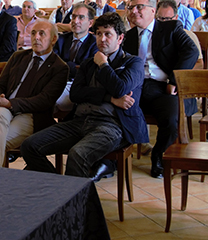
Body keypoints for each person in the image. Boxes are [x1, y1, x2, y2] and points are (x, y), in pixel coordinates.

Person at [21, 12, 146, 180]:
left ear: (120, 38)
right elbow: (76, 94)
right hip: (81, 120)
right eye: (99, 34)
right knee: (30, 146)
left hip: (112, 124)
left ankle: (75, 202)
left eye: (108, 34)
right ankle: (59, 187)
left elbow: (119, 88)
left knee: (77, 155)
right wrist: (109, 98)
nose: (102, 39)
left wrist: (103, 64)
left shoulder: (132, 63)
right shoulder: (88, 63)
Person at [122, 0, 199, 178]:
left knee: (172, 118)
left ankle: (158, 154)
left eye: (139, 7)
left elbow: (191, 51)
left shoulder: (171, 28)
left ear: (152, 10)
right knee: (110, 109)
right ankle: (113, 157)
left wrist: (174, 80)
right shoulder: (128, 36)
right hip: (136, 87)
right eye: (131, 7)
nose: (134, 11)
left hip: (163, 88)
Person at [0, 20, 68, 167]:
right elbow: (0, 84)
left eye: (42, 34)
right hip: (4, 109)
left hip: (31, 115)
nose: (36, 38)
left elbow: (44, 101)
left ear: (53, 39)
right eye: (33, 33)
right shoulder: (18, 56)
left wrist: (9, 103)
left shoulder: (59, 67)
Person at [52, 3, 98, 112]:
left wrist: (66, 65)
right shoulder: (61, 39)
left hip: (79, 86)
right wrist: (75, 66)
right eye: (73, 16)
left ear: (90, 23)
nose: (75, 21)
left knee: (52, 98)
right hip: (57, 81)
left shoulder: (95, 43)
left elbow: (87, 71)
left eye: (81, 17)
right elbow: (53, 64)